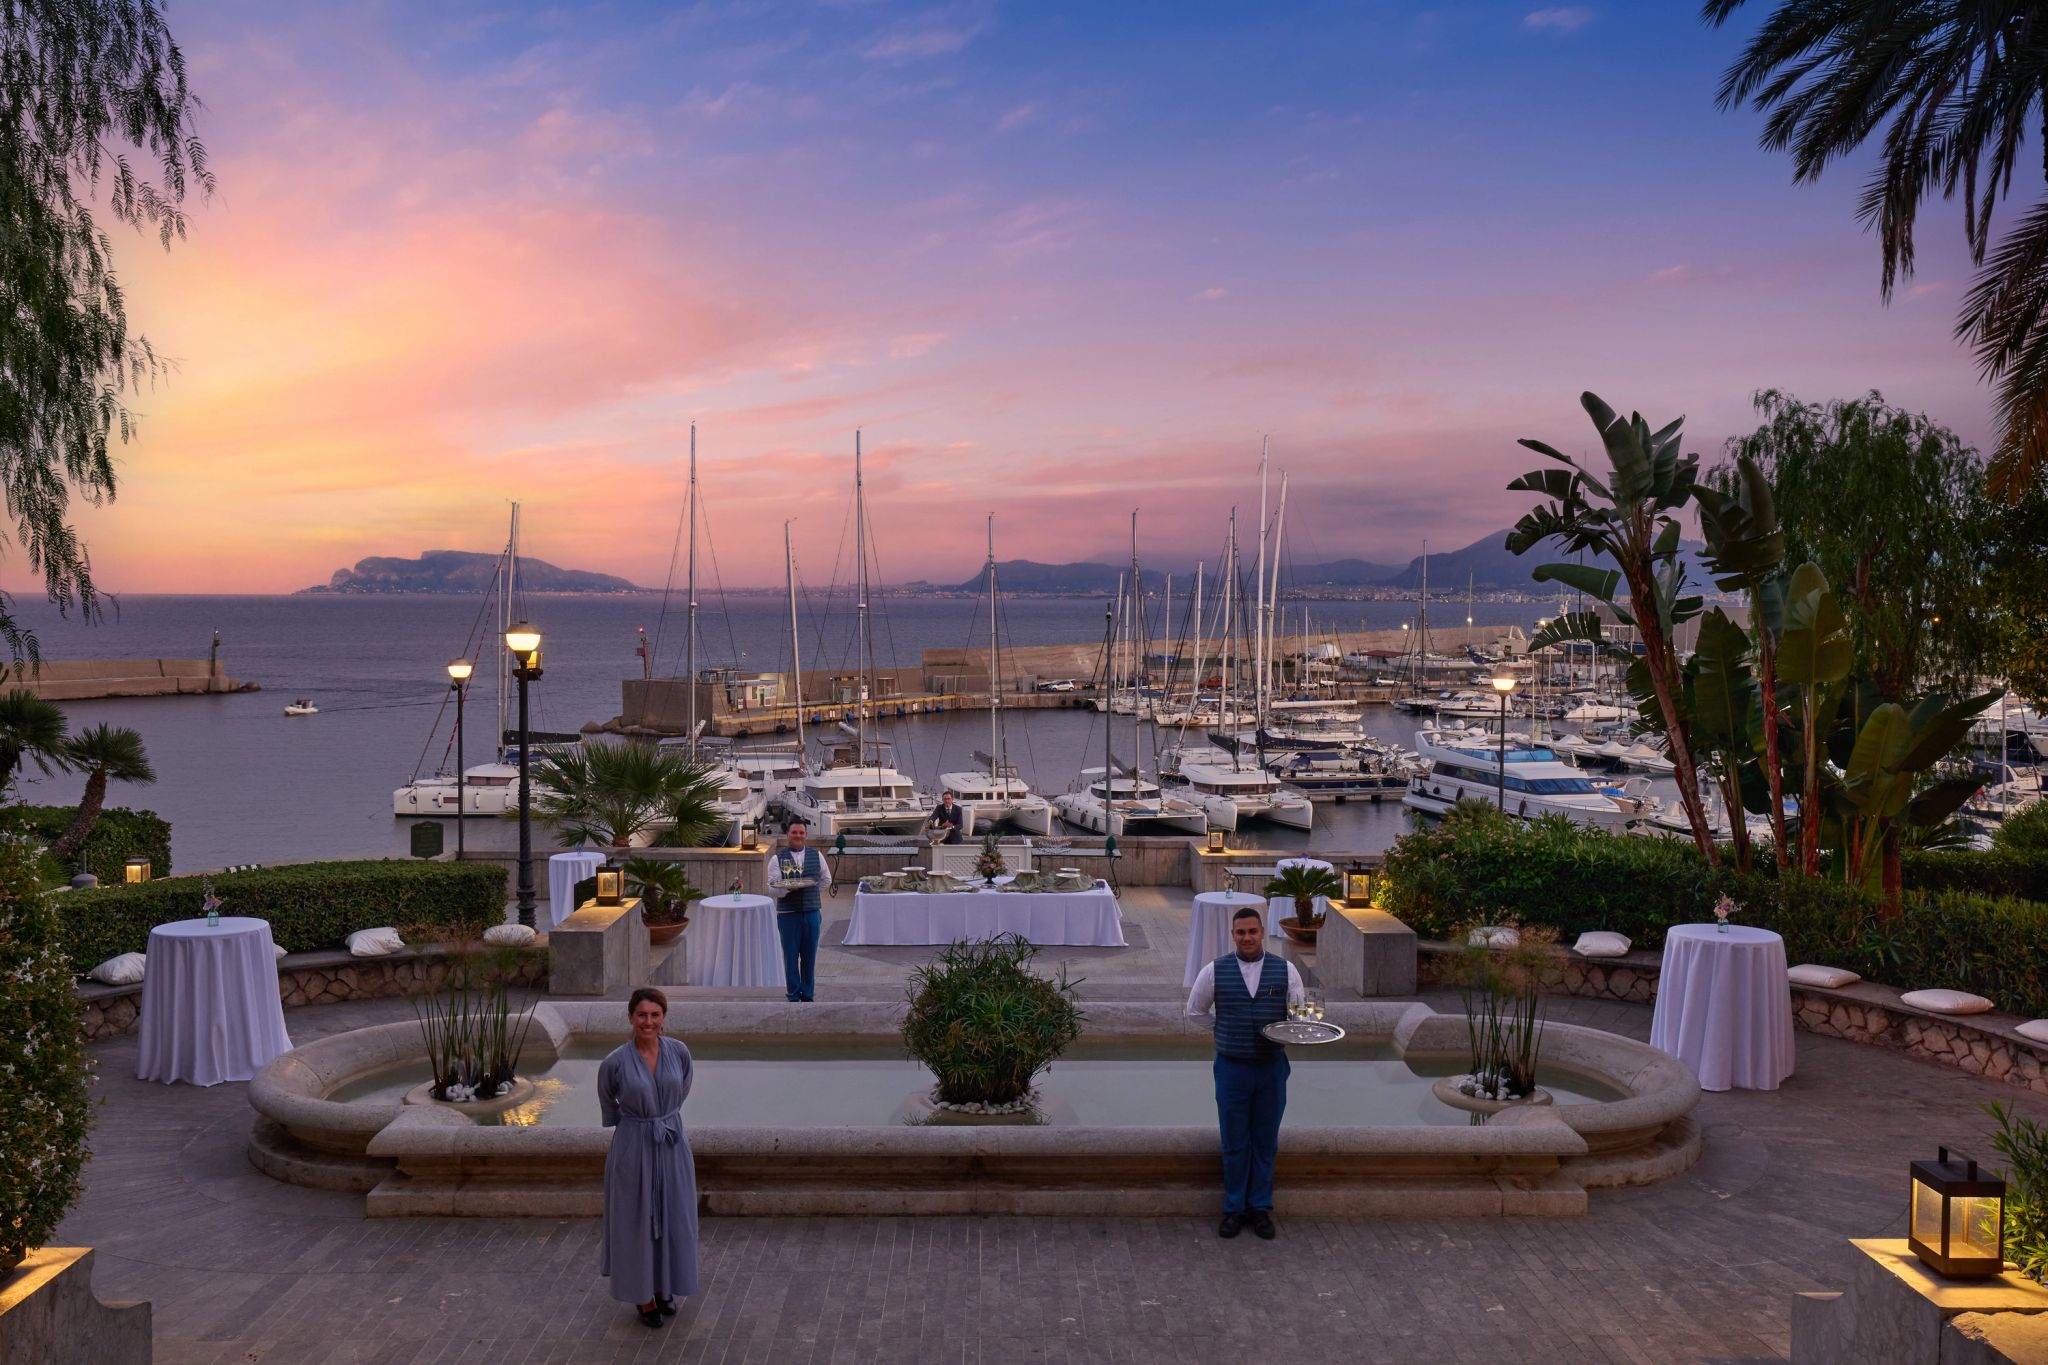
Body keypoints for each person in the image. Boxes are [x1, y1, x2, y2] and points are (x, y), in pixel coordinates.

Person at [1184, 904, 1303, 1240]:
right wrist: (1224, 1030)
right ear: (1233, 935)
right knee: (1234, 1141)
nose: (1247, 937)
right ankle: (1234, 1209)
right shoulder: (1214, 970)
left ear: (1262, 932)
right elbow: (1195, 1012)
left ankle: (1261, 1208)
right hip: (1232, 1068)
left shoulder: (1286, 970)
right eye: (1240, 932)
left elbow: (1296, 1017)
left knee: (1265, 1141)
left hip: (1271, 1067)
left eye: (1252, 931)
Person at [598, 987, 699, 1328]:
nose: (648, 1022)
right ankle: (642, 1296)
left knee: (674, 1218)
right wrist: (639, 1123)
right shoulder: (614, 1062)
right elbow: (608, 1103)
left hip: (671, 1145)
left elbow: (682, 1089)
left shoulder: (679, 1052)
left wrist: (664, 1116)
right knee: (635, 1222)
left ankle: (663, 1285)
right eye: (642, 1015)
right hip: (634, 1147)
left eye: (655, 1015)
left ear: (663, 1018)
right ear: (630, 1017)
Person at [768, 820, 831, 1002]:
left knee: (809, 957)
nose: (798, 836)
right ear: (787, 835)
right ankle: (793, 995)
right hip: (788, 915)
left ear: (806, 835)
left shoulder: (816, 855)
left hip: (812, 913)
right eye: (794, 832)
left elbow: (826, 880)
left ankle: (808, 994)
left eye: (801, 833)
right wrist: (789, 889)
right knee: (790, 957)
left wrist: (809, 891)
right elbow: (772, 888)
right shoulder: (776, 859)